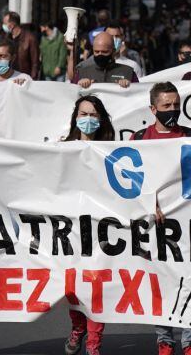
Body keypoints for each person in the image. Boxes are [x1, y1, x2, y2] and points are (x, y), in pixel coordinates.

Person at [128, 83, 191, 355]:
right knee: (160, 282)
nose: (173, 110)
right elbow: (132, 183)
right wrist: (151, 203)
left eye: (176, 105)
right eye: (166, 106)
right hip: (155, 224)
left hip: (189, 221)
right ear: (153, 109)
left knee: (190, 280)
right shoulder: (139, 140)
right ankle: (164, 339)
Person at [62, 95, 115, 355]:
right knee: (72, 287)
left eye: (93, 115)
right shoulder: (62, 148)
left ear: (101, 119)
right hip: (70, 230)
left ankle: (94, 343)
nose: (88, 119)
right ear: (75, 118)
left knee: (97, 287)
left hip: (102, 230)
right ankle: (78, 327)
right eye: (83, 114)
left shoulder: (114, 152)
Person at [3, 11, 40, 78]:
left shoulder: (30, 38)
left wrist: (32, 80)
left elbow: (35, 63)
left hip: (24, 77)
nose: (3, 25)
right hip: (9, 77)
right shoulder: (7, 38)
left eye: (5, 23)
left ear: (12, 24)